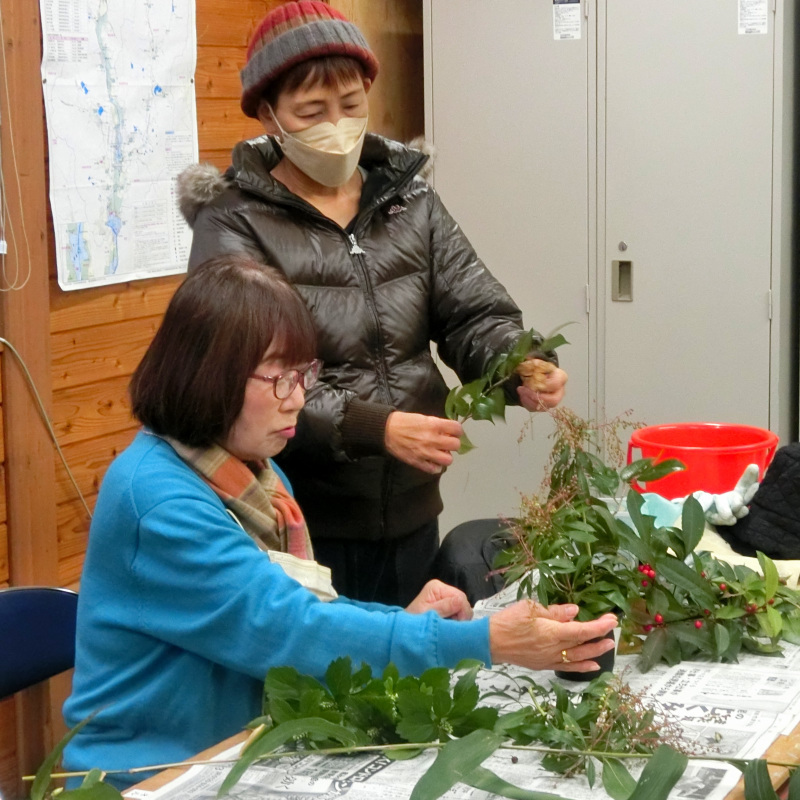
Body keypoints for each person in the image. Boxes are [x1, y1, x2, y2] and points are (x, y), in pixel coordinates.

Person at [61, 256, 613, 789]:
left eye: (304, 375)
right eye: (278, 378)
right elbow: (293, 631)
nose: (297, 399)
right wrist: (481, 640)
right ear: (210, 377)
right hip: (149, 776)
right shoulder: (158, 501)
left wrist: (403, 619)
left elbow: (309, 607)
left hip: (238, 752)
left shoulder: (258, 477)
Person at [178, 1, 568, 607]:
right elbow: (246, 376)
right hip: (300, 513)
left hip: (410, 504)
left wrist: (516, 365)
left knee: (411, 674)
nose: (336, 125)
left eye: (352, 105)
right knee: (328, 686)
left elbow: (473, 312)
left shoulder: (409, 204)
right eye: (311, 111)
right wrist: (374, 427)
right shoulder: (235, 223)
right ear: (269, 115)